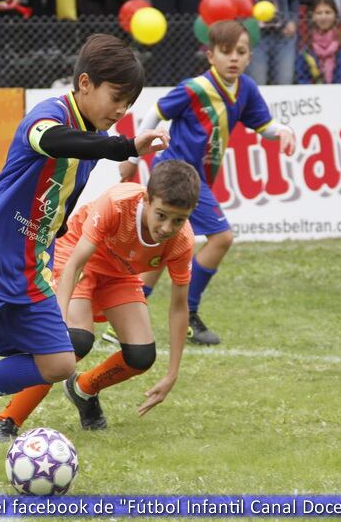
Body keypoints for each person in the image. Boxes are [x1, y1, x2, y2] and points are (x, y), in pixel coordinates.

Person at [0, 33, 169, 492]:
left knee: (59, 362)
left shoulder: (93, 138)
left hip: (27, 268)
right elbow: (54, 142)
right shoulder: (49, 116)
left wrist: (53, 237)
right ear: (85, 83)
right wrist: (123, 147)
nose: (121, 109)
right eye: (116, 97)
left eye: (129, 102)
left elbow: (59, 201)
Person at [0, 160, 199, 441]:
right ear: (146, 200)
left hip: (119, 274)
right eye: (161, 215)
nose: (167, 227)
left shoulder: (182, 241)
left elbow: (179, 307)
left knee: (141, 356)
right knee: (74, 342)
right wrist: (57, 323)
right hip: (76, 256)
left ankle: (83, 388)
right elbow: (75, 264)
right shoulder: (117, 203)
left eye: (178, 220)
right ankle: (6, 420)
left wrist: (172, 374)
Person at [117, 20, 295, 346]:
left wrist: (284, 131)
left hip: (195, 179)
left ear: (249, 55)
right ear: (210, 55)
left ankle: (122, 317)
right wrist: (131, 157)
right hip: (176, 173)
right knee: (221, 237)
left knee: (161, 246)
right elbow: (155, 113)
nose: (234, 59)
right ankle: (189, 314)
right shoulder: (195, 88)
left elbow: (264, 126)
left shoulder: (247, 89)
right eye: (226, 52)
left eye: (240, 52)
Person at [247, 0, 298, 85]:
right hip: (257, 37)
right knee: (258, 81)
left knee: (285, 80)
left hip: (284, 36)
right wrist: (249, 24)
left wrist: (293, 20)